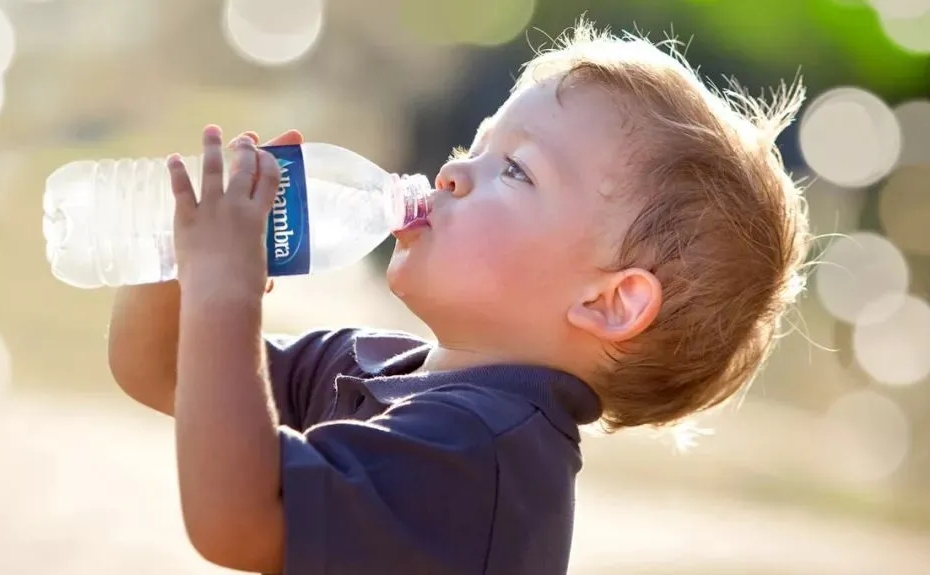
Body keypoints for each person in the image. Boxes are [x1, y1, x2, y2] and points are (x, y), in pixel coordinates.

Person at [107, 19, 810, 575]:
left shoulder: (481, 454)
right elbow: (163, 367)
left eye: (513, 169)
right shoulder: (382, 367)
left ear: (609, 302)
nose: (451, 173)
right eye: (474, 146)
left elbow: (235, 519)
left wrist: (225, 292)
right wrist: (179, 256)